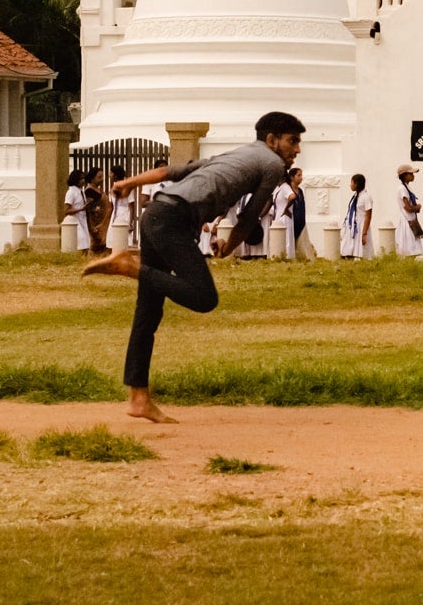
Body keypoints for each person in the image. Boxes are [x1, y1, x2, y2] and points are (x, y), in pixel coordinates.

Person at [86, 110, 304, 423]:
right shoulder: (271, 164)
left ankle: (138, 398)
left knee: (148, 312)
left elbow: (173, 171)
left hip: (155, 214)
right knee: (204, 297)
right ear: (272, 140)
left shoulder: (237, 155)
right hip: (173, 221)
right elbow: (249, 216)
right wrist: (229, 247)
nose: (296, 150)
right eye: (292, 141)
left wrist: (129, 182)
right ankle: (128, 266)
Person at [395, 165, 423, 257]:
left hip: (412, 220)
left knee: (414, 249)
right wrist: (417, 207)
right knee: (410, 248)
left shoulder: (407, 187)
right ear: (404, 175)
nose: (413, 175)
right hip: (407, 220)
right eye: (410, 174)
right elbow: (408, 208)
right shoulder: (402, 189)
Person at [342, 173, 373, 259]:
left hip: (362, 224)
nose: (350, 185)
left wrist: (364, 233)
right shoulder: (356, 196)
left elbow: (368, 215)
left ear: (356, 184)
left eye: (351, 183)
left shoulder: (366, 197)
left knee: (362, 248)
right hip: (354, 224)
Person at [64, 170, 91, 253]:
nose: (83, 181)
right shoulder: (71, 192)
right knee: (81, 243)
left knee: (86, 243)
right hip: (75, 221)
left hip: (82, 220)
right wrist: (81, 209)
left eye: (83, 178)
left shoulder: (81, 192)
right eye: (80, 179)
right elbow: (66, 210)